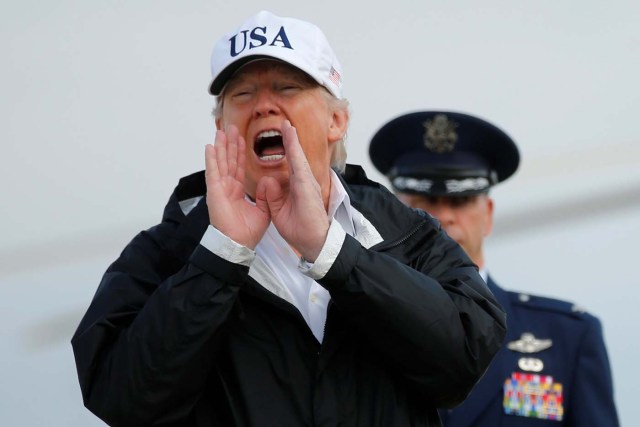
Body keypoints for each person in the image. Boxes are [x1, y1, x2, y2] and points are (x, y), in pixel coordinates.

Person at [71, 12, 506, 427]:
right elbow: (123, 402)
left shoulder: (406, 235)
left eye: (287, 87)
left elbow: (463, 361)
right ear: (222, 127)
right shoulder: (166, 253)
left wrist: (335, 255)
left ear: (337, 120)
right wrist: (220, 257)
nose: (263, 106)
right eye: (242, 95)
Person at [369, 110, 619, 426]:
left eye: (460, 202)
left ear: (487, 214)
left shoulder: (568, 336)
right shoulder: (352, 327)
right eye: (425, 201)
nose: (444, 216)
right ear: (394, 215)